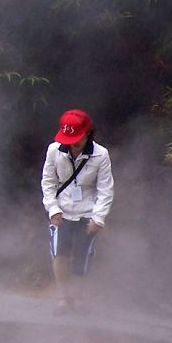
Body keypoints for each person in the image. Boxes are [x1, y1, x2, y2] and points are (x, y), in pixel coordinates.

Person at [41, 109, 114, 314]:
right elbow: (48, 182)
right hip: (62, 212)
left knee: (82, 255)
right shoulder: (54, 151)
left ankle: (78, 297)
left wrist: (98, 218)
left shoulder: (101, 155)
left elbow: (105, 188)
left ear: (87, 132)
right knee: (59, 254)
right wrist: (53, 209)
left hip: (87, 212)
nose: (73, 142)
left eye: (77, 137)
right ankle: (64, 297)